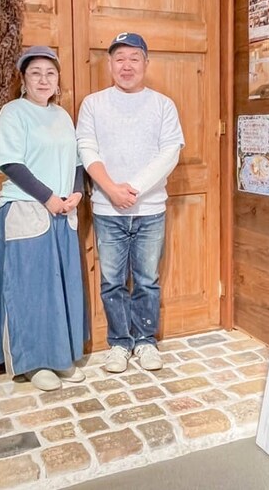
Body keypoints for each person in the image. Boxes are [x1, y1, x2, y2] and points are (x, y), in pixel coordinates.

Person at [76, 32, 184, 373]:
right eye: (119, 58)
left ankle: (146, 341)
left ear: (145, 64)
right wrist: (111, 189)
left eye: (134, 58)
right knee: (112, 281)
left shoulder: (163, 105)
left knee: (147, 279)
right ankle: (120, 344)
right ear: (110, 64)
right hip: (107, 210)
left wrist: (132, 189)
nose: (127, 65)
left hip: (150, 210)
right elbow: (86, 149)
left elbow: (170, 152)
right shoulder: (93, 104)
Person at [0, 46, 87, 391]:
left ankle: (60, 357)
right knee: (29, 289)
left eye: (50, 73)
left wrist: (76, 194)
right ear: (23, 80)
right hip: (27, 210)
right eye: (35, 73)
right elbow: (11, 164)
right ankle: (32, 362)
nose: (44, 80)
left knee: (59, 288)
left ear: (58, 80)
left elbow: (76, 162)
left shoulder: (62, 116)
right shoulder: (13, 113)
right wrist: (48, 198)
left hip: (63, 211)